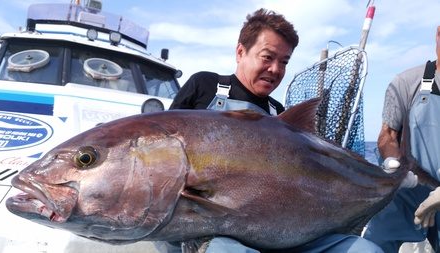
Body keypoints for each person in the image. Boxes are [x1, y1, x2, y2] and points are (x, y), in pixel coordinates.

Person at [163, 7, 384, 253]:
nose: (276, 69)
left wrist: (387, 178)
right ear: (240, 52)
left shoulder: (278, 112)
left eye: (284, 62)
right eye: (267, 57)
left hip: (273, 233)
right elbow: (166, 150)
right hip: (210, 233)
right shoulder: (206, 86)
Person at [363, 26, 440, 252]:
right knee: (372, 246)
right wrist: (393, 163)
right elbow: (387, 135)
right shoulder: (406, 82)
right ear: (438, 34)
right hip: (408, 190)